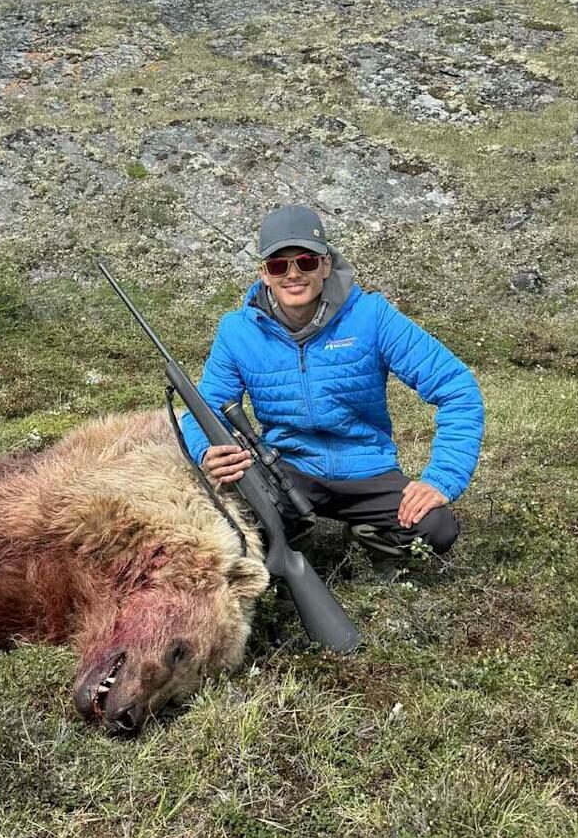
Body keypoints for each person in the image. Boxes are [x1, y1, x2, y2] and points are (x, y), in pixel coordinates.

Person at [179, 204, 485, 581]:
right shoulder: (236, 331)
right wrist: (205, 451)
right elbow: (203, 408)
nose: (293, 274)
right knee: (230, 522)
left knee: (436, 529)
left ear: (325, 265)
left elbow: (457, 388)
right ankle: (293, 540)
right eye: (279, 265)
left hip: (368, 469)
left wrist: (441, 478)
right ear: (264, 274)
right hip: (286, 469)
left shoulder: (373, 316)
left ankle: (372, 538)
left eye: (306, 261)